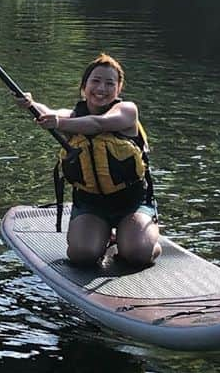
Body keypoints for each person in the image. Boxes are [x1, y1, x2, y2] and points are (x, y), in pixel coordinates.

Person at [15, 53, 160, 267]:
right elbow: (49, 113)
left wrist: (59, 124)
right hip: (91, 203)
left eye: (110, 83)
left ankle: (145, 238)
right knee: (82, 256)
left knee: (138, 254)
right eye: (96, 81)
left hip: (132, 202)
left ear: (118, 89)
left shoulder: (128, 111)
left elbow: (98, 124)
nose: (101, 89)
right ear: (84, 87)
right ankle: (108, 238)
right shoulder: (72, 116)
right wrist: (30, 104)